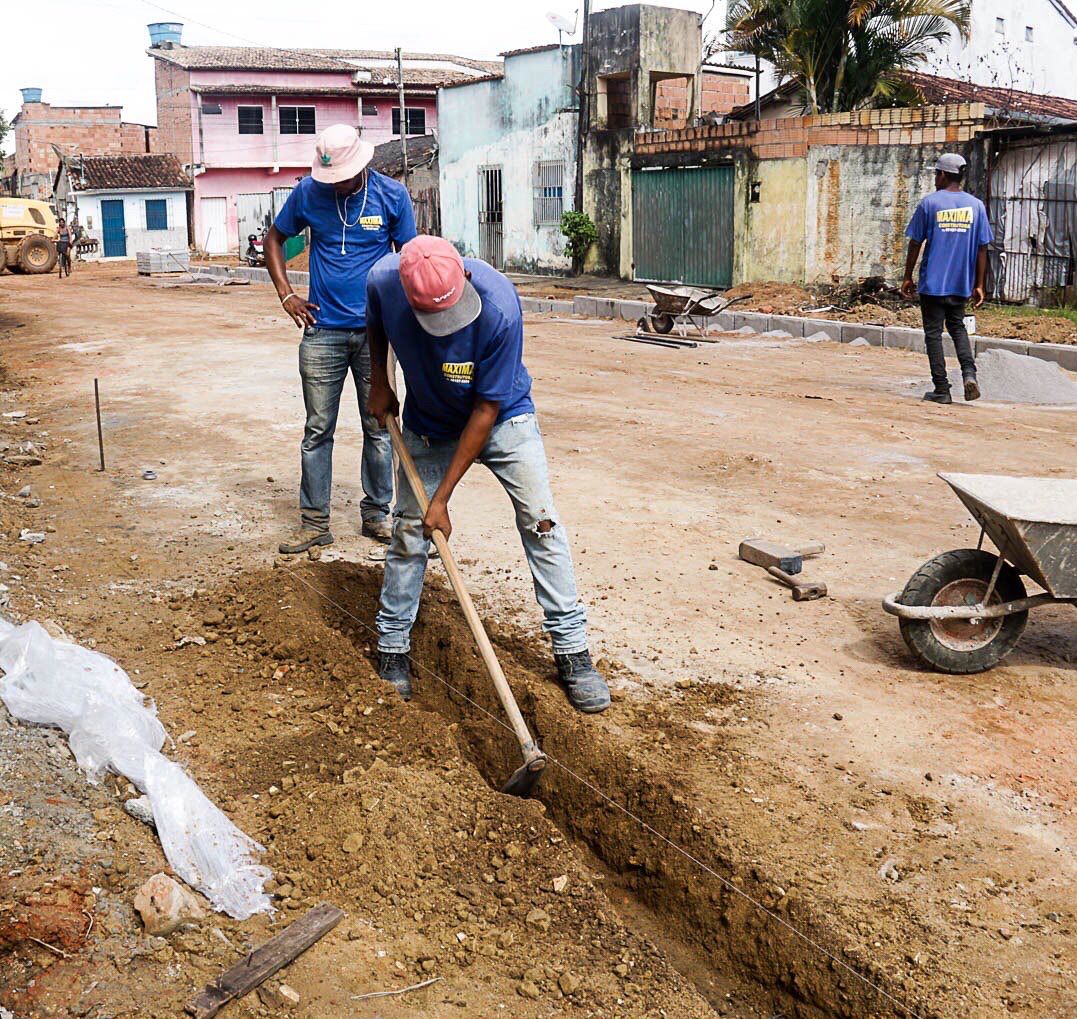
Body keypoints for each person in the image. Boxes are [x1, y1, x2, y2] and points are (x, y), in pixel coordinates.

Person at [365, 236, 611, 714]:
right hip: (428, 426)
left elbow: (485, 410)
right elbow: (375, 321)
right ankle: (393, 648)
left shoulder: (499, 306)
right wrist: (380, 377)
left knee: (543, 525)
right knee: (410, 533)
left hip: (502, 420)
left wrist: (444, 499)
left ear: (466, 279)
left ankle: (573, 653)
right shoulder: (383, 280)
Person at [267, 123, 417, 554]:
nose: (337, 184)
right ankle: (315, 523)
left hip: (377, 335)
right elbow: (275, 239)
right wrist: (287, 294)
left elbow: (409, 259)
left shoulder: (392, 196)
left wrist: (402, 321)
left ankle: (376, 515)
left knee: (380, 427)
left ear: (361, 164)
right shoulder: (308, 193)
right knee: (317, 429)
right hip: (322, 333)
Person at [901, 152, 993, 405]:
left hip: (933, 283)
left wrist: (907, 276)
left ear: (942, 174)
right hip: (960, 283)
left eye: (936, 174)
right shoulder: (976, 206)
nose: (935, 178)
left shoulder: (929, 204)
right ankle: (969, 374)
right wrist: (979, 284)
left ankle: (942, 389)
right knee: (957, 327)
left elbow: (915, 242)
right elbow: (983, 247)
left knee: (933, 333)